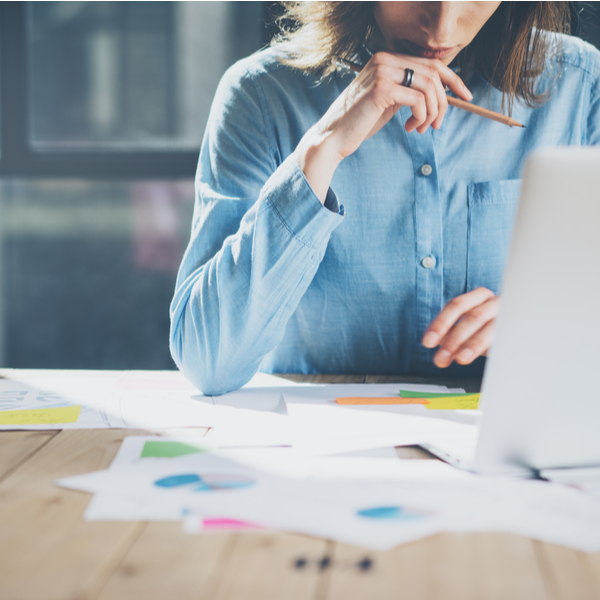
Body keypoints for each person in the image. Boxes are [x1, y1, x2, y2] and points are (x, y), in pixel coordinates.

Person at [170, 1, 600, 395]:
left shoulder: (582, 89)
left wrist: (554, 320)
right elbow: (207, 362)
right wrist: (321, 151)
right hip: (316, 453)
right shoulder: (260, 96)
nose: (440, 28)